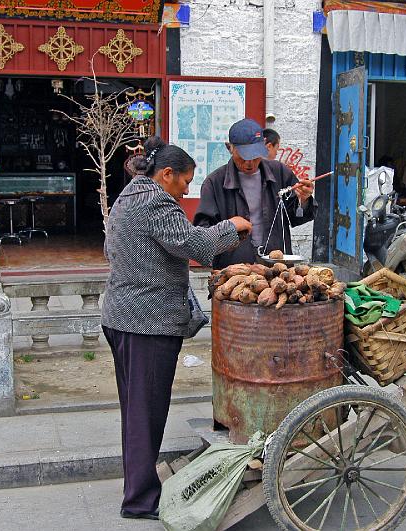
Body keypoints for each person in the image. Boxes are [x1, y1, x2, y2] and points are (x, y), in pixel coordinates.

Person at [101, 136, 252, 520]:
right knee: (144, 413)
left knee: (137, 410)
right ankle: (139, 499)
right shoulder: (155, 200)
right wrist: (231, 228)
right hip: (145, 324)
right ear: (166, 174)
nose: (186, 190)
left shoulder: (129, 195)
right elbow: (190, 242)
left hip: (123, 317)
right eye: (184, 182)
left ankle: (139, 488)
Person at [194, 119, 314, 269]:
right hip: (234, 271)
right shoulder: (214, 182)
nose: (249, 163)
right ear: (230, 148)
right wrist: (229, 227)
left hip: (276, 268)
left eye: (255, 156)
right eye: (243, 157)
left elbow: (296, 217)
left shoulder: (280, 173)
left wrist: (303, 200)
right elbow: (203, 234)